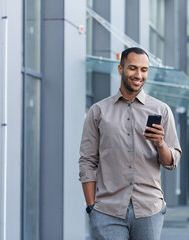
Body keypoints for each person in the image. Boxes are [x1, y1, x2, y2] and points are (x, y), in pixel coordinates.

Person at [78, 47, 182, 240]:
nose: (138, 75)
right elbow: (87, 161)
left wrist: (160, 143)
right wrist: (92, 206)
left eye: (144, 70)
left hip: (149, 210)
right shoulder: (98, 111)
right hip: (108, 211)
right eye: (133, 68)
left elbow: (171, 162)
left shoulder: (162, 110)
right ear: (120, 69)